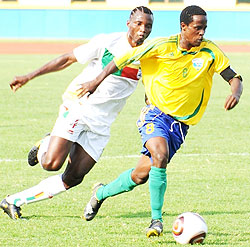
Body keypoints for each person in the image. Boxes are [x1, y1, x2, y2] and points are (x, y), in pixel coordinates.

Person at [82, 5, 243, 238]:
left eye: (205, 28)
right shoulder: (161, 46)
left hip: (180, 126)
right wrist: (95, 81)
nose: (202, 33)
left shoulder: (209, 51)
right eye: (197, 28)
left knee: (141, 175)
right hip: (155, 113)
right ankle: (156, 220)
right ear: (183, 27)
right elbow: (120, 60)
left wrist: (235, 92)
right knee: (160, 155)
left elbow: (233, 76)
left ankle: (101, 193)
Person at [0, 6, 154, 220]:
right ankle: (46, 144)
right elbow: (67, 59)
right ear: (128, 23)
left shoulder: (148, 56)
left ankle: (13, 201)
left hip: (102, 123)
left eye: (148, 26)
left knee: (74, 177)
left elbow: (151, 88)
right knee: (50, 164)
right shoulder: (107, 43)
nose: (143, 29)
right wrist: (29, 76)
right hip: (79, 107)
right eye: (138, 23)